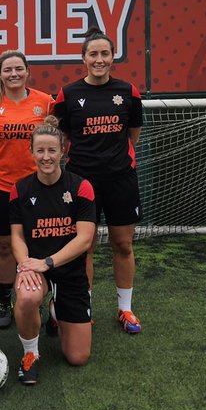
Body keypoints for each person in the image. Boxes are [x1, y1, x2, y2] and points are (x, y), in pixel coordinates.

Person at [53, 30, 145, 334]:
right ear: (83, 58)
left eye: (105, 53)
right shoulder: (67, 95)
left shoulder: (128, 92)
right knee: (85, 247)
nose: (99, 59)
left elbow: (132, 136)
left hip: (120, 180)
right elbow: (64, 137)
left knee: (123, 244)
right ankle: (85, 306)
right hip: (82, 184)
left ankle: (125, 309)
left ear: (113, 57)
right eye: (93, 54)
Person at [9, 117, 96, 385]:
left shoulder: (81, 186)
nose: (46, 157)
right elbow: (17, 236)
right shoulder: (20, 189)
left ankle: (56, 312)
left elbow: (84, 239)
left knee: (77, 357)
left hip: (67, 269)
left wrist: (48, 262)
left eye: (52, 150)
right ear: (32, 152)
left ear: (63, 151)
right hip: (36, 267)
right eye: (40, 150)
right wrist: (25, 264)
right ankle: (30, 354)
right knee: (25, 297)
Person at [0, 50, 53, 329]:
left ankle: (45, 300)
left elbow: (54, 141)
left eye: (18, 69)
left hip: (38, 188)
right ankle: (4, 302)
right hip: (1, 187)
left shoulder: (45, 103)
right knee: (6, 247)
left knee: (39, 246)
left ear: (27, 71)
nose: (14, 74)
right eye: (7, 70)